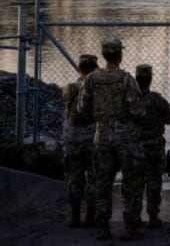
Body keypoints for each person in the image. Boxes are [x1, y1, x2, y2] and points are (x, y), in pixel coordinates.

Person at [77, 39, 146, 240]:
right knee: (131, 182)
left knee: (102, 182)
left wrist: (100, 117)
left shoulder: (91, 79)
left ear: (104, 56)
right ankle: (132, 224)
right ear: (119, 56)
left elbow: (82, 108)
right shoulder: (126, 79)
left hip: (101, 136)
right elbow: (137, 110)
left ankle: (102, 226)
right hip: (126, 137)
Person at [61, 54, 99, 228]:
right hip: (93, 139)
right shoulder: (98, 91)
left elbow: (66, 104)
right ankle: (90, 216)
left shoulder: (68, 89)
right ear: (95, 70)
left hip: (73, 139)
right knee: (94, 178)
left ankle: (75, 216)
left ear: (78, 69)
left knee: (75, 178)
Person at [135, 64, 170, 228]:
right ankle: (153, 216)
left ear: (136, 80)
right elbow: (169, 119)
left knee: (135, 183)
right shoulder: (157, 100)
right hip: (154, 146)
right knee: (154, 181)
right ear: (150, 80)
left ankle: (134, 216)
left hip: (135, 146)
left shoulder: (129, 99)